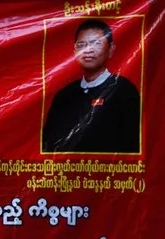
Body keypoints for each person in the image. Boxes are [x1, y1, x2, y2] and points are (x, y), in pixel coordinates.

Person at [43, 19, 140, 153]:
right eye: (81, 44)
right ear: (74, 51)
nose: (88, 50)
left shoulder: (124, 91)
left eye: (96, 43)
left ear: (111, 49)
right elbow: (48, 143)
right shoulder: (63, 95)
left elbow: (131, 145)